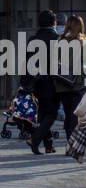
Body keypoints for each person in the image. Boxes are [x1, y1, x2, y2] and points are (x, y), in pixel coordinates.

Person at [23, 10, 60, 154]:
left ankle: (49, 145)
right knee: (51, 114)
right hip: (52, 81)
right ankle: (35, 139)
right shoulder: (57, 38)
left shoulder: (33, 39)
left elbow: (27, 62)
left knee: (44, 113)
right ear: (54, 23)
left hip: (37, 82)